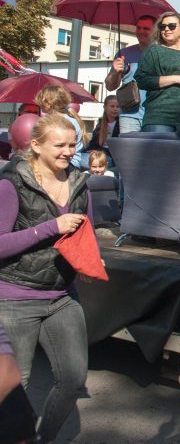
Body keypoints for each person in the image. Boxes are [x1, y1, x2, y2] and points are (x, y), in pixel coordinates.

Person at [0, 114, 91, 444]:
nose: (68, 151)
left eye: (73, 144)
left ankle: (41, 439)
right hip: (14, 297)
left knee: (73, 379)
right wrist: (50, 227)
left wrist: (88, 262)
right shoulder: (12, 184)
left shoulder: (79, 180)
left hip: (62, 296)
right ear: (36, 146)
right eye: (60, 145)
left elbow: (84, 231)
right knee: (13, 388)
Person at [105, 15, 155, 134]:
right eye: (138, 28)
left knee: (152, 152)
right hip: (129, 114)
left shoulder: (161, 54)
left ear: (155, 31)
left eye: (146, 28)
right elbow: (110, 86)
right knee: (128, 151)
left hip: (154, 115)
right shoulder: (123, 54)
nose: (141, 31)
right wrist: (115, 72)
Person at [35, 85, 87, 169]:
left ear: (48, 103)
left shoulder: (60, 122)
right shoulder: (69, 118)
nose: (39, 105)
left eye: (41, 103)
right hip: (68, 162)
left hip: (67, 164)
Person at [82, 94, 120, 168]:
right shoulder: (101, 123)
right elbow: (93, 143)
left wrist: (100, 151)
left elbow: (117, 148)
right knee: (77, 156)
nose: (115, 109)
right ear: (105, 107)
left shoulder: (121, 124)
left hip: (111, 157)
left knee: (79, 160)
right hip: (98, 154)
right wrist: (88, 151)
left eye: (118, 107)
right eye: (112, 106)